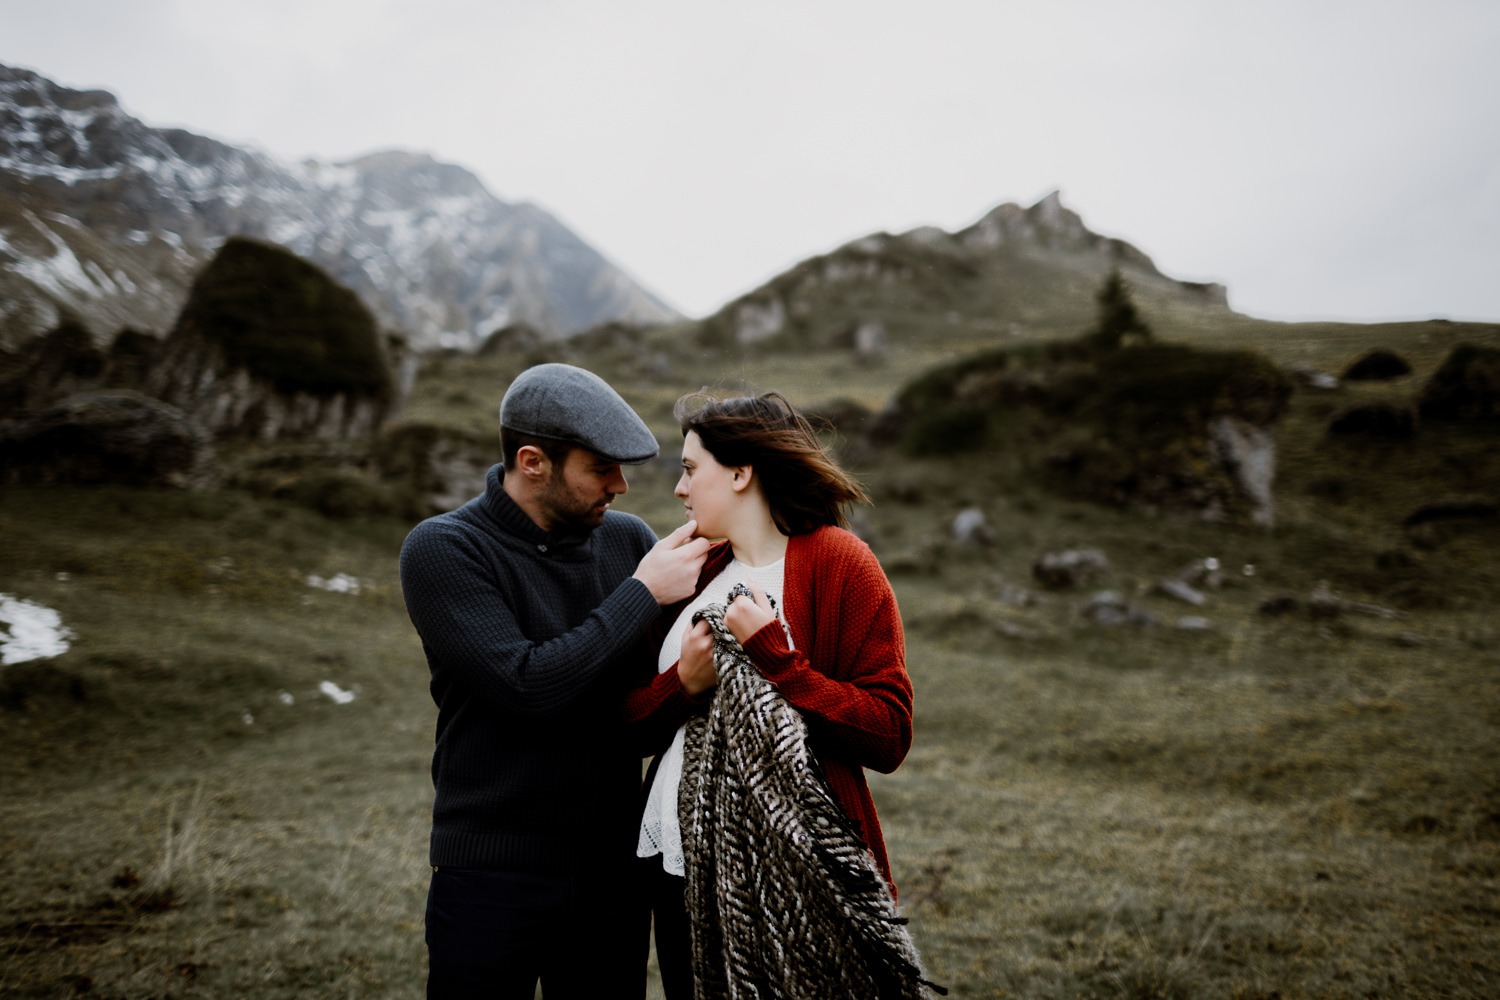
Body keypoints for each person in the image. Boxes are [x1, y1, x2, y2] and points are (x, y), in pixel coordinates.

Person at [399, 363, 709, 999]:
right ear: (533, 462)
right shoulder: (444, 548)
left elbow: (638, 707)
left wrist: (688, 675)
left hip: (611, 875)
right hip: (489, 874)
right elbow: (525, 686)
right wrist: (643, 593)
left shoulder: (627, 542)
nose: (621, 486)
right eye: (601, 468)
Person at [625, 390, 915, 998]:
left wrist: (775, 659)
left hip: (795, 865)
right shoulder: (694, 570)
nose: (679, 489)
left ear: (739, 472)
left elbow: (887, 733)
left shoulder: (840, 562)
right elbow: (629, 724)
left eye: (689, 469)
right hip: (680, 864)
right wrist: (682, 686)